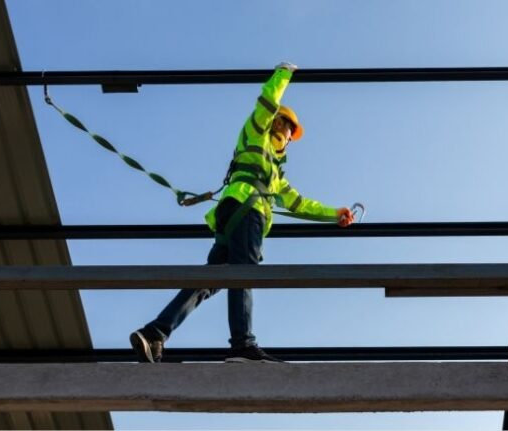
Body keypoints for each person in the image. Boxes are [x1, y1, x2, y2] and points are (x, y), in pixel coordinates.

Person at [129, 62, 355, 363]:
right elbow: (267, 100)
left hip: (234, 211)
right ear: (278, 124)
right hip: (246, 212)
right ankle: (242, 345)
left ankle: (155, 332)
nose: (290, 137)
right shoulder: (257, 133)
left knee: (210, 281)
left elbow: (298, 203)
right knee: (244, 273)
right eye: (289, 128)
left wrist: (334, 213)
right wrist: (284, 74)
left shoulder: (273, 172)